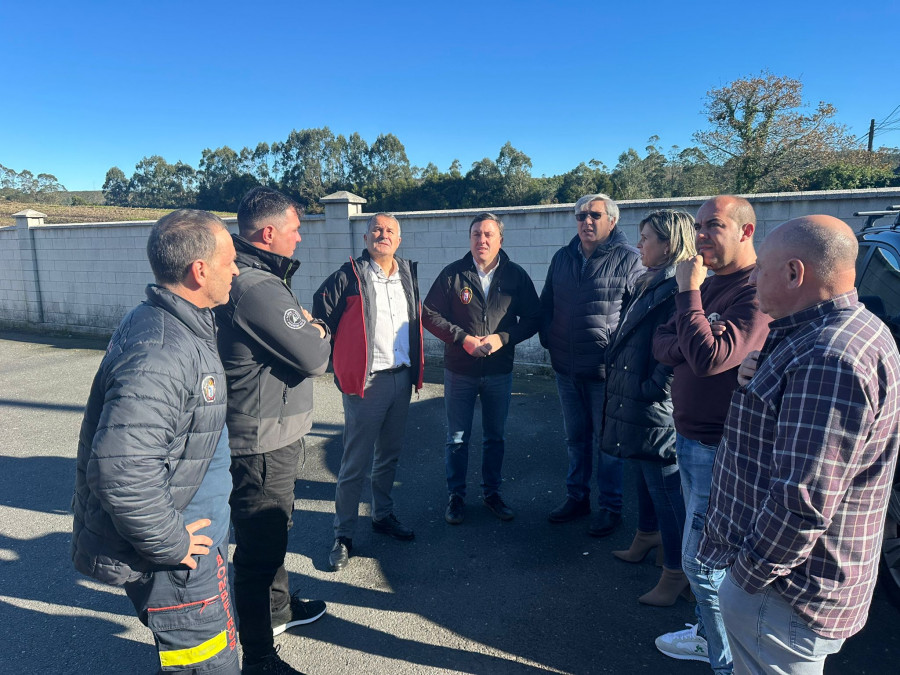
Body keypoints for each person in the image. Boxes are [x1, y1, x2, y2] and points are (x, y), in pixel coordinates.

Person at [698, 215, 900, 674]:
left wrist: (743, 580)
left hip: (782, 595)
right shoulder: (843, 331)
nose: (751, 277)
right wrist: (761, 373)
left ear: (794, 274)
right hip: (792, 587)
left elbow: (802, 502)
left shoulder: (827, 358)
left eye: (760, 268)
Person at [72, 209, 240, 674]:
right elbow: (120, 469)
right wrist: (171, 543)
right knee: (206, 666)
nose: (237, 269)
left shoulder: (177, 324)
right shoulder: (163, 349)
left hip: (195, 544)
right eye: (229, 260)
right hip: (180, 561)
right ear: (199, 269)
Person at [652, 195, 770, 673]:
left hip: (722, 445)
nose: (699, 236)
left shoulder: (755, 290)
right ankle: (709, 636)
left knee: (704, 565)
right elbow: (663, 345)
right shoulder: (710, 286)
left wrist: (688, 298)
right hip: (691, 437)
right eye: (698, 226)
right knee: (708, 559)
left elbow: (710, 358)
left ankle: (728, 663)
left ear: (745, 231)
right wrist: (697, 331)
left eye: (713, 226)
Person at [216, 187, 332, 675]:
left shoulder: (254, 276)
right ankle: (260, 657)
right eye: (294, 229)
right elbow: (313, 356)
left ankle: (279, 609)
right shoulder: (257, 287)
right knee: (260, 548)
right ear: (268, 233)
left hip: (272, 431)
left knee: (273, 531)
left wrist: (305, 327)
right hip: (260, 441)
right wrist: (318, 330)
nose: (300, 237)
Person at [313, 213, 424, 571]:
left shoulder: (406, 273)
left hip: (401, 378)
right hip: (366, 383)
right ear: (365, 237)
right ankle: (342, 535)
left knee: (389, 456)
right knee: (354, 464)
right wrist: (336, 359)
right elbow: (321, 317)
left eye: (390, 230)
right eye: (376, 229)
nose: (383, 234)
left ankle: (383, 515)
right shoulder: (348, 275)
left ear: (399, 239)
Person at [601, 210, 696, 605]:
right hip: (636, 394)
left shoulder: (679, 288)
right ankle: (646, 536)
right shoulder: (650, 281)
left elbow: (677, 352)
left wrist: (651, 388)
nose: (638, 245)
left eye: (646, 238)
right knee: (642, 470)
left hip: (652, 401)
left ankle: (675, 573)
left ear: (669, 244)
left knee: (665, 487)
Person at [422, 212, 541, 524]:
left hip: (499, 371)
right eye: (476, 234)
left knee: (495, 437)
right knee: (457, 438)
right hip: (460, 370)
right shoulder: (453, 275)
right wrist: (462, 339)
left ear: (500, 240)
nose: (482, 240)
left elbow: (533, 318)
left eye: (488, 234)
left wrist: (504, 337)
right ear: (470, 239)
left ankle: (491, 493)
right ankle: (456, 496)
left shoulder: (515, 276)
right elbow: (429, 313)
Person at [540, 193, 644, 536]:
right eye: (581, 215)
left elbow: (638, 317)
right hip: (566, 369)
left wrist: (620, 359)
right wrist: (550, 340)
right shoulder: (562, 257)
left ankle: (611, 507)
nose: (587, 221)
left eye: (595, 215)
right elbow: (547, 303)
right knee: (576, 439)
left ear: (611, 220)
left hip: (605, 372)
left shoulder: (630, 259)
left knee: (608, 442)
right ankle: (577, 497)